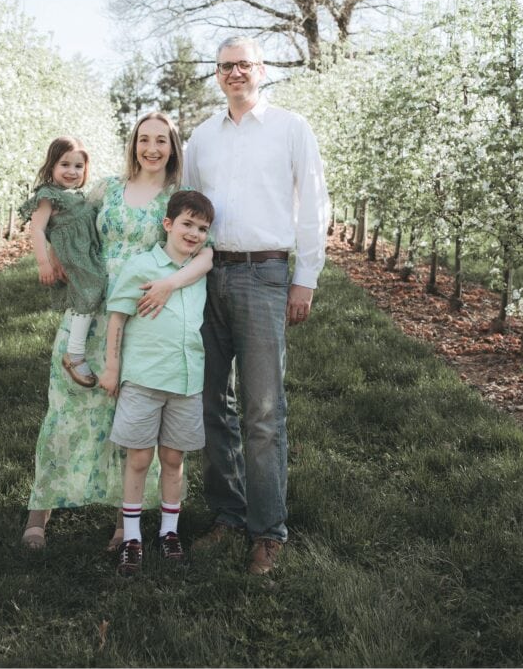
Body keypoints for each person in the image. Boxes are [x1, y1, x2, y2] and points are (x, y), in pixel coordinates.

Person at [21, 112, 213, 550]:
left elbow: (207, 253)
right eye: (143, 139)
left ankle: (124, 520)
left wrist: (168, 284)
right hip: (88, 304)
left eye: (161, 140)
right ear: (133, 144)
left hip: (141, 311)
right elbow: (65, 222)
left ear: (173, 147)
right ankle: (41, 509)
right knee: (65, 401)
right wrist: (52, 255)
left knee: (128, 413)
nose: (151, 148)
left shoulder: (177, 197)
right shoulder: (106, 187)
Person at [183, 35, 329, 576]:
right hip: (208, 276)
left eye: (243, 64)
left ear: (261, 70)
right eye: (225, 66)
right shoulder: (202, 138)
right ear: (217, 74)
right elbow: (188, 207)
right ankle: (227, 515)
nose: (235, 73)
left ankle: (268, 531)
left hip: (266, 274)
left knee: (263, 412)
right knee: (209, 404)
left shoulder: (291, 129)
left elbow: (314, 202)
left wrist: (305, 278)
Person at [98, 189, 215, 575]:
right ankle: (131, 536)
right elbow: (117, 316)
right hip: (144, 377)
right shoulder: (142, 266)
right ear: (168, 224)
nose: (194, 233)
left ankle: (169, 531)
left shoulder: (198, 267)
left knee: (173, 458)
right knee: (139, 457)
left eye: (202, 228)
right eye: (187, 224)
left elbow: (209, 256)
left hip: (186, 379)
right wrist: (113, 368)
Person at [19, 136, 107, 388]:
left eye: (78, 166)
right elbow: (37, 229)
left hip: (87, 253)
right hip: (75, 257)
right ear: (52, 166)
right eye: (65, 164)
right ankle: (75, 353)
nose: (72, 171)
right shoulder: (48, 195)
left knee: (93, 292)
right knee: (90, 291)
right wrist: (44, 262)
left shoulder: (76, 194)